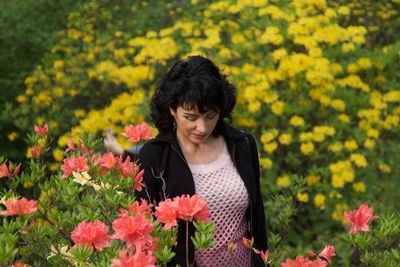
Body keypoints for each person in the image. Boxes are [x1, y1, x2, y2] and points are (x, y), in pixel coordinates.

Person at [104, 55, 267, 266]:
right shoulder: (154, 157)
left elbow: (257, 220)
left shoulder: (242, 144)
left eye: (210, 115)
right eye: (190, 117)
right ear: (172, 109)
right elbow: (143, 234)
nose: (202, 127)